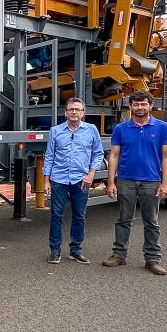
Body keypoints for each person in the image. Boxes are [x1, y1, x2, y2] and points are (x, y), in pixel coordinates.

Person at [104, 90, 167, 275]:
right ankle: (119, 255)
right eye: (136, 104)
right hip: (126, 180)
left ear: (150, 105)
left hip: (151, 181)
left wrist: (165, 183)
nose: (140, 107)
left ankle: (152, 259)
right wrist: (111, 182)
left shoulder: (162, 127)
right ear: (130, 107)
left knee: (151, 221)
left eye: (144, 104)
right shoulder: (121, 129)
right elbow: (114, 156)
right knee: (123, 220)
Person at [42, 97, 104, 265]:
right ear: (65, 113)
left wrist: (91, 174)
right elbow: (49, 156)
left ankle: (75, 250)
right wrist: (46, 181)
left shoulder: (91, 130)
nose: (74, 112)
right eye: (71, 109)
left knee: (80, 216)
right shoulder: (55, 131)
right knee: (56, 215)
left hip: (81, 179)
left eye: (77, 109)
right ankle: (55, 250)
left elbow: (98, 154)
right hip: (59, 179)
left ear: (83, 113)